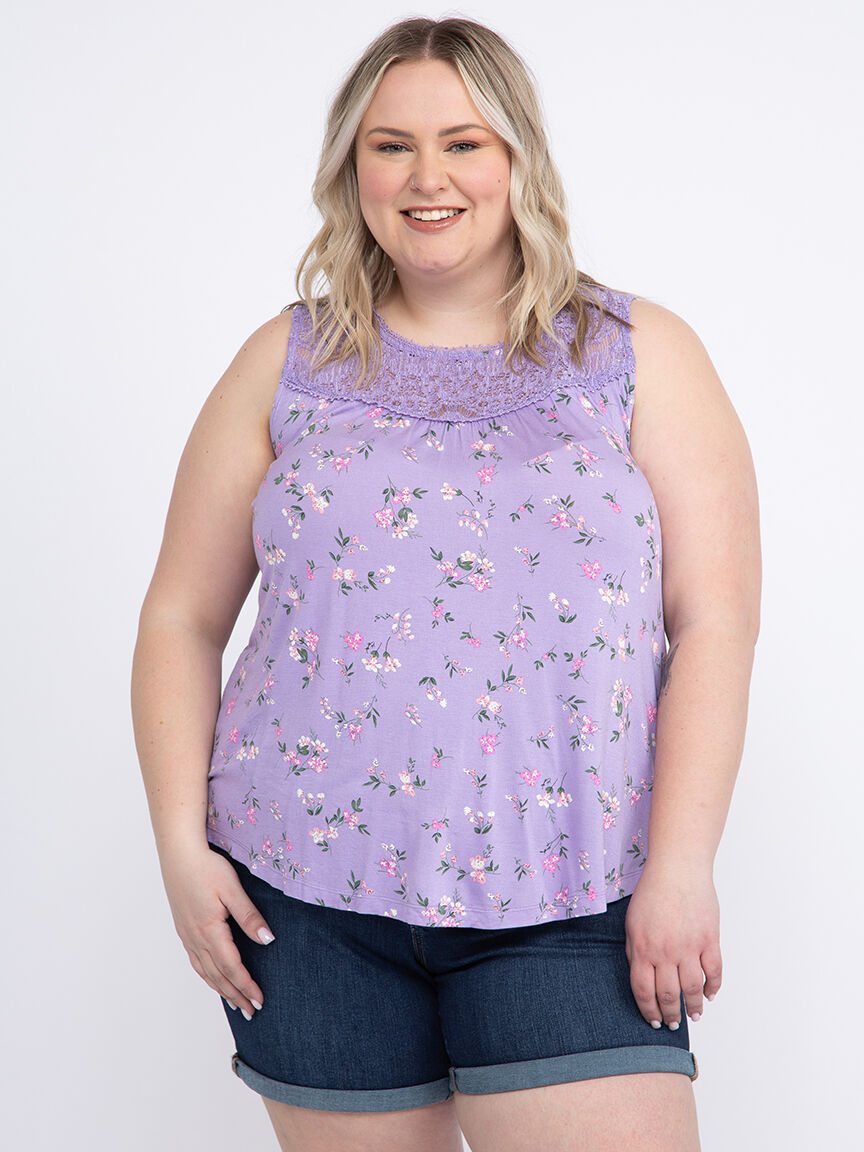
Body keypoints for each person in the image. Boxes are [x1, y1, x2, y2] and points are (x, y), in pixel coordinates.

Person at [131, 15, 761, 1152]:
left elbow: (715, 621)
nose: (429, 178)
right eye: (392, 146)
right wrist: (180, 847)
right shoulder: (288, 361)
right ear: (353, 169)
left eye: (464, 143)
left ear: (518, 157)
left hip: (575, 897)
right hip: (304, 906)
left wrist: (682, 865)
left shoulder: (634, 353)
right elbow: (181, 615)